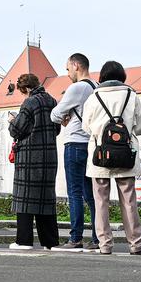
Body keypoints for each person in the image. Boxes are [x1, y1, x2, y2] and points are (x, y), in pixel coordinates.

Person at [80, 61, 141, 256]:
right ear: (122, 77)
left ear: (102, 77)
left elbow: (86, 127)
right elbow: (140, 127)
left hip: (100, 155)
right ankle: (136, 245)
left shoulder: (93, 98)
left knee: (100, 200)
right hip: (125, 154)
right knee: (128, 199)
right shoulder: (131, 95)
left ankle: (105, 245)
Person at [50, 53, 98, 250]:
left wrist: (66, 115)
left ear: (76, 65)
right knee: (93, 195)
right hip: (91, 144)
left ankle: (75, 237)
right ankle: (97, 237)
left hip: (75, 143)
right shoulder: (96, 86)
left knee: (75, 193)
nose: (67, 72)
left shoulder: (77, 88)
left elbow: (54, 115)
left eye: (68, 68)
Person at [8, 73, 60, 251]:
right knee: (45, 198)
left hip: (30, 156)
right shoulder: (52, 101)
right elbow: (57, 128)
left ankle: (24, 241)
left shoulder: (29, 102)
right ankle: (50, 241)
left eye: (23, 91)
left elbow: (17, 130)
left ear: (26, 88)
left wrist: (12, 120)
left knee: (25, 197)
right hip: (49, 157)